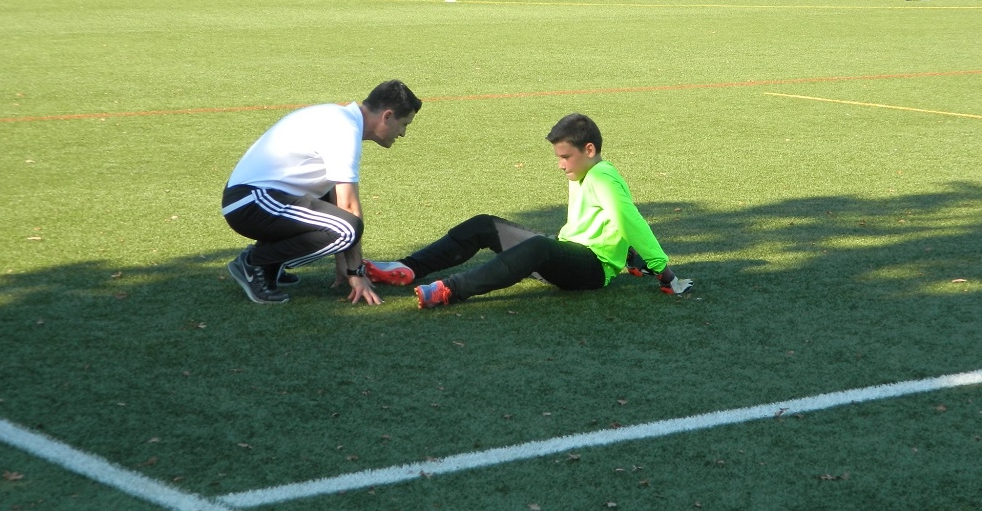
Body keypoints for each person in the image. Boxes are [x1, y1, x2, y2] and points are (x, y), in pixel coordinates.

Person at [363, 113, 692, 308]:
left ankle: (450, 290)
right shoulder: (585, 171)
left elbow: (630, 221)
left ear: (589, 149)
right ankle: (408, 267)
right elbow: (602, 222)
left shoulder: (603, 177)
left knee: (539, 247)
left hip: (592, 269)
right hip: (568, 254)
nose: (561, 165)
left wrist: (664, 272)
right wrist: (632, 258)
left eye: (566, 157)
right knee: (484, 225)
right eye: (558, 157)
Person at [222, 80, 422, 305]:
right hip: (250, 202)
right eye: (404, 124)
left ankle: (270, 263)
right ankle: (256, 262)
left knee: (337, 210)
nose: (403, 133)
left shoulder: (340, 119)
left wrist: (343, 262)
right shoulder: (344, 129)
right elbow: (349, 209)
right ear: (387, 116)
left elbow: (336, 198)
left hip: (253, 199)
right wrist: (355, 272)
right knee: (348, 229)